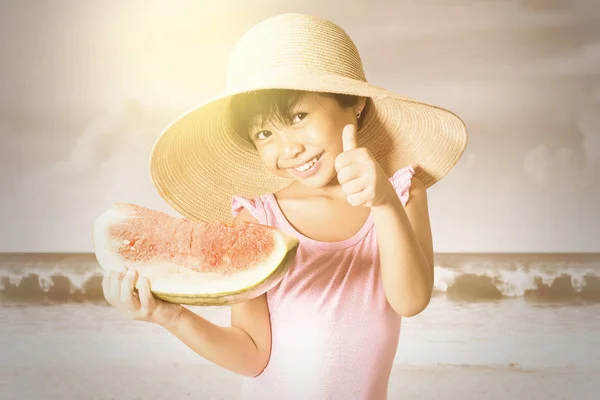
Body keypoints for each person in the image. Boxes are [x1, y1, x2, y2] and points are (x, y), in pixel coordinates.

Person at [101, 13, 467, 400]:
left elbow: (409, 301)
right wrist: (168, 315)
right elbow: (252, 356)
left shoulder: (403, 194)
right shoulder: (258, 217)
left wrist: (386, 204)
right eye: (264, 133)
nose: (288, 149)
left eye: (298, 116)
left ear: (356, 102)